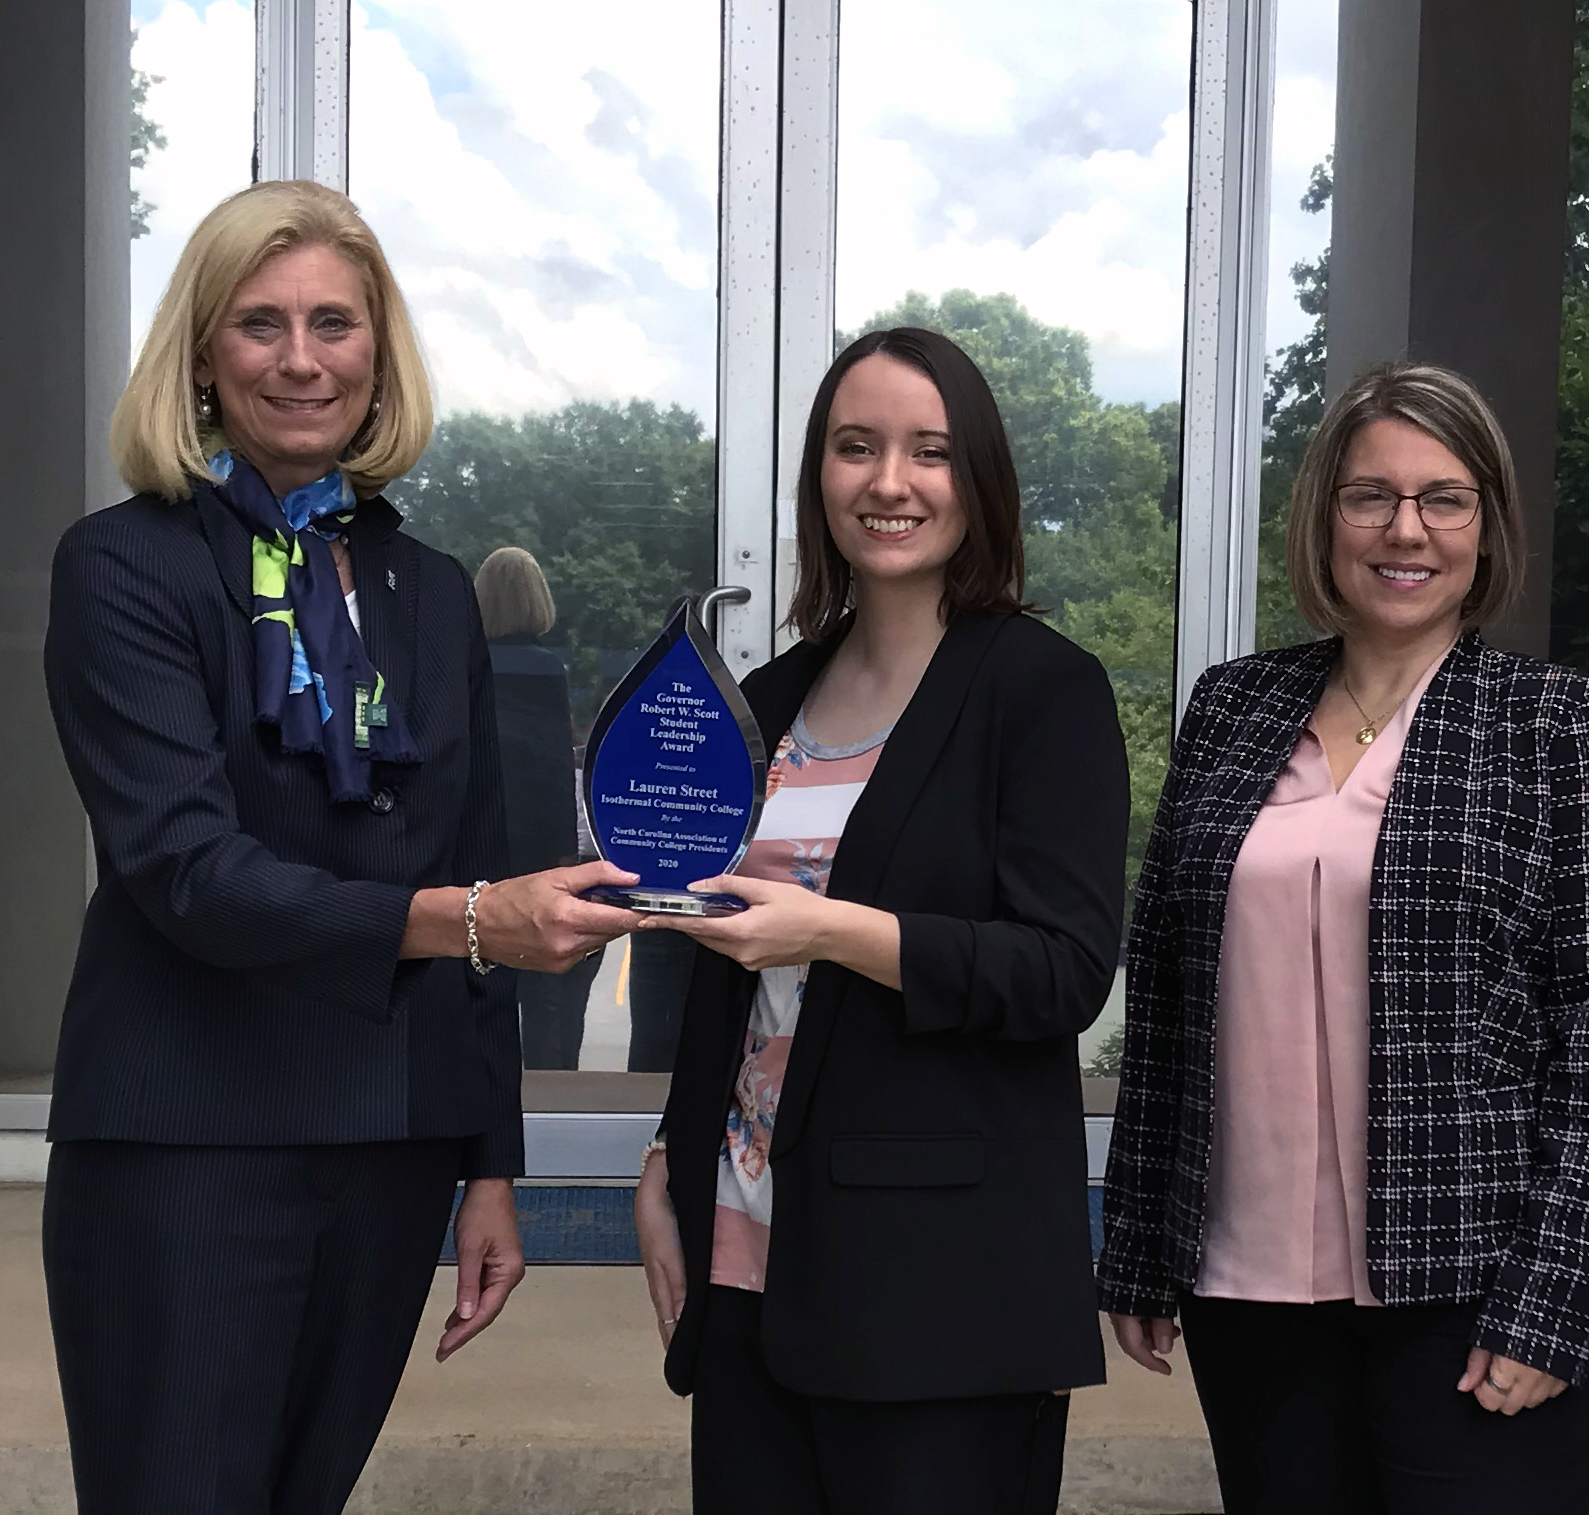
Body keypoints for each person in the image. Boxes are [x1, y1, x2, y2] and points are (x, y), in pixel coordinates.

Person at [41, 180, 643, 1515]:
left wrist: (492, 1160)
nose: (300, 357)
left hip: (390, 1144)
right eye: (258, 323)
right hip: (184, 1149)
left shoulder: (429, 590)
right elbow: (188, 869)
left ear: (380, 351)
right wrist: (457, 920)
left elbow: (478, 851)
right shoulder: (122, 568)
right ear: (200, 355)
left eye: (332, 321)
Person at [1097, 362, 1589, 1515]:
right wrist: (1140, 1243)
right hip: (1244, 1282)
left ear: (1486, 525)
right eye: (1371, 496)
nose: (1406, 530)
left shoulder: (1562, 724)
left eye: (1444, 498)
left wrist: (1555, 1292)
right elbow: (1162, 998)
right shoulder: (1231, 706)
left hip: (1474, 1279)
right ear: (1325, 518)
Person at [630, 326, 1130, 1514]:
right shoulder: (768, 699)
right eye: (855, 448)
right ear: (820, 478)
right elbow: (721, 971)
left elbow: (1063, 971)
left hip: (937, 1291)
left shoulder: (1042, 691)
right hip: (749, 1251)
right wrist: (668, 1151)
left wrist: (829, 930)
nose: (888, 482)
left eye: (929, 451)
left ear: (980, 481)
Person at [474, 545, 600, 1070]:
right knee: (551, 1017)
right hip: (538, 851)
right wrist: (563, 857)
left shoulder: (465, 666)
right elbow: (550, 774)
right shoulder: (547, 671)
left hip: (478, 852)